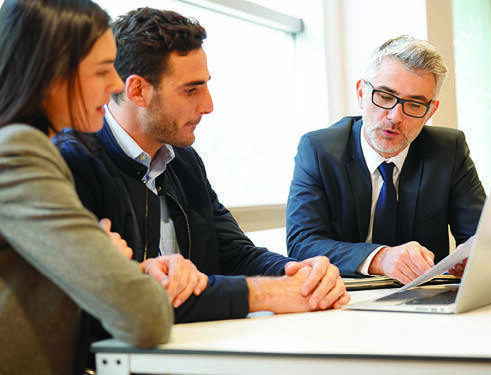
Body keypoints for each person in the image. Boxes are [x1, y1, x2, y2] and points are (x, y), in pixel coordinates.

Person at [56, 7, 349, 338]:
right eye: (191, 90)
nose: (208, 105)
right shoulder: (72, 161)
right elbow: (127, 298)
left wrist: (297, 273)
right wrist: (269, 293)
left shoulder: (183, 159)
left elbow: (234, 253)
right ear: (137, 90)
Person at [0, 1, 177, 374]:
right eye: (101, 71)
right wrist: (108, 257)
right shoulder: (20, 151)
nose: (116, 84)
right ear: (49, 75)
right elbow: (145, 317)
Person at [286, 35, 486, 283]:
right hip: (347, 299)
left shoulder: (449, 151)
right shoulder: (318, 150)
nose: (395, 117)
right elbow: (302, 244)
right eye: (384, 96)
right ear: (361, 93)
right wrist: (382, 258)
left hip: (425, 298)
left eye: (414, 104)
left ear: (430, 112)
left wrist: (472, 258)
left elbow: (481, 237)